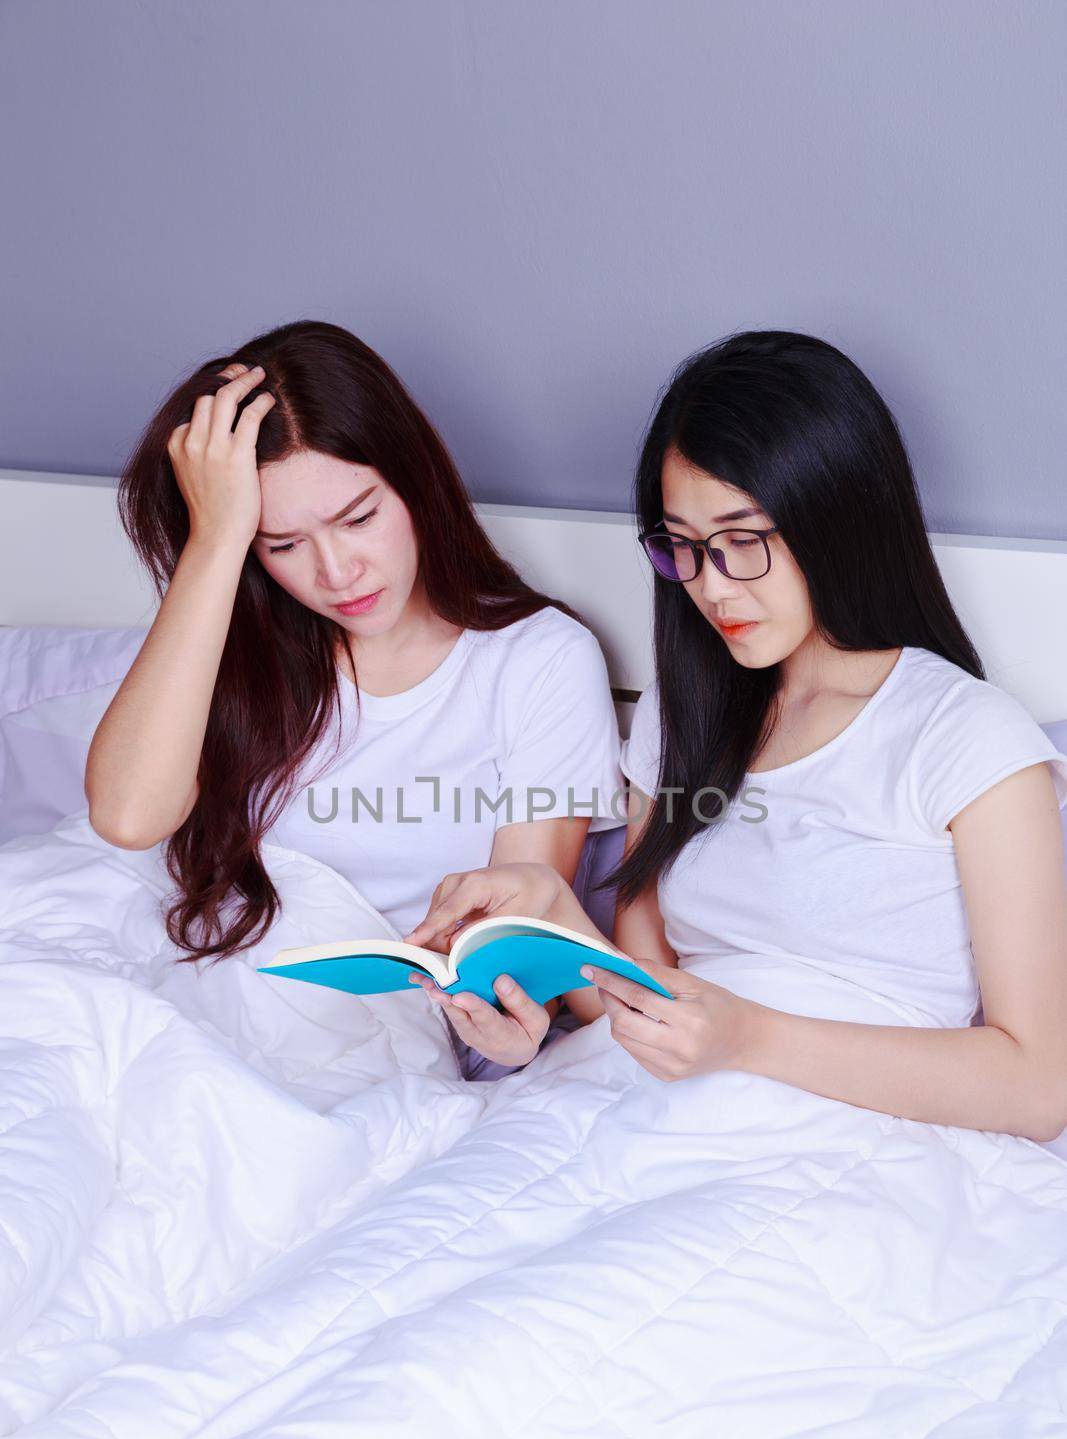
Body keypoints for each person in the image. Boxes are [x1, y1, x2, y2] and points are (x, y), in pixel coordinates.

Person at [403, 330, 1067, 1141]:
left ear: (837, 516)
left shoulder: (964, 738)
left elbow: (1037, 1088)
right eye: (681, 547)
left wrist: (749, 1038)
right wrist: (550, 917)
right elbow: (652, 999)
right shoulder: (680, 714)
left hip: (854, 1134)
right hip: (648, 1106)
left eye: (742, 541)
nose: (710, 587)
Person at [86, 320, 623, 1079]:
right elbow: (127, 816)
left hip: (356, 1039)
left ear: (416, 480)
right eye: (281, 544)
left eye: (358, 517)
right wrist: (213, 543)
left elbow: (513, 931)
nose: (337, 573)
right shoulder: (230, 639)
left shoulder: (535, 661)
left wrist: (507, 1028)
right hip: (184, 983)